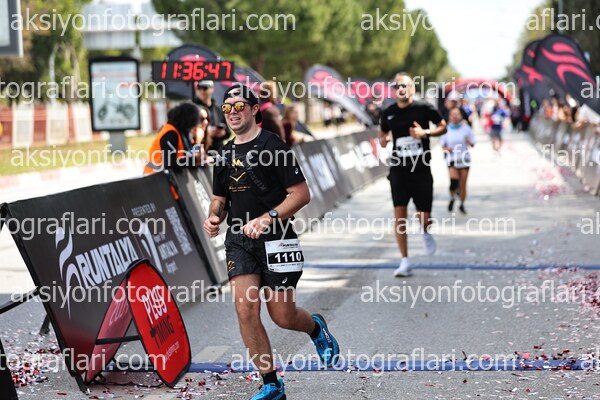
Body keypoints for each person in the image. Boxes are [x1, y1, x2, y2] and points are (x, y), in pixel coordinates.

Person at [203, 84, 339, 400]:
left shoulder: (273, 145)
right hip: (239, 240)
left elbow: (301, 194)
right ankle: (271, 383)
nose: (233, 113)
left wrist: (267, 218)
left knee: (283, 316)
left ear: (254, 110)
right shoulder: (224, 153)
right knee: (245, 310)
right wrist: (213, 217)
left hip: (277, 239)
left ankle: (315, 327)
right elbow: (219, 199)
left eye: (240, 106)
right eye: (227, 108)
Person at [379, 72, 447, 277]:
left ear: (412, 89)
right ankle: (405, 260)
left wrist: (425, 133)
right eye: (397, 86)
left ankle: (425, 230)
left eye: (405, 86)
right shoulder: (388, 112)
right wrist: (383, 140)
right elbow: (382, 132)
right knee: (399, 214)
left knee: (424, 217)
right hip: (399, 170)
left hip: (421, 169)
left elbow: (443, 126)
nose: (401, 89)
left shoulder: (423, 108)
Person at [143, 102, 205, 174]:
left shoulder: (181, 132)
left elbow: (187, 156)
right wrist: (193, 160)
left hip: (161, 177)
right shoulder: (170, 133)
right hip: (153, 177)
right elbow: (169, 164)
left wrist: (198, 145)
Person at [440, 108, 476, 214]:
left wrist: (468, 141)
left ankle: (462, 204)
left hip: (464, 158)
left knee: (462, 184)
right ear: (449, 116)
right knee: (453, 182)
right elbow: (442, 146)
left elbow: (473, 143)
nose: (455, 116)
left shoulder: (466, 128)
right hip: (452, 158)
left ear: (461, 116)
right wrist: (447, 149)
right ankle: (452, 197)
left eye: (457, 114)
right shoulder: (446, 129)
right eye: (452, 114)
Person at [193, 80, 232, 151]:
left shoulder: (218, 110)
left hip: (217, 149)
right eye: (199, 88)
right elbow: (187, 130)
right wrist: (207, 132)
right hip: (199, 149)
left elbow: (228, 132)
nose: (201, 91)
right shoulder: (191, 109)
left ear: (212, 89)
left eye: (205, 88)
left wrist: (222, 133)